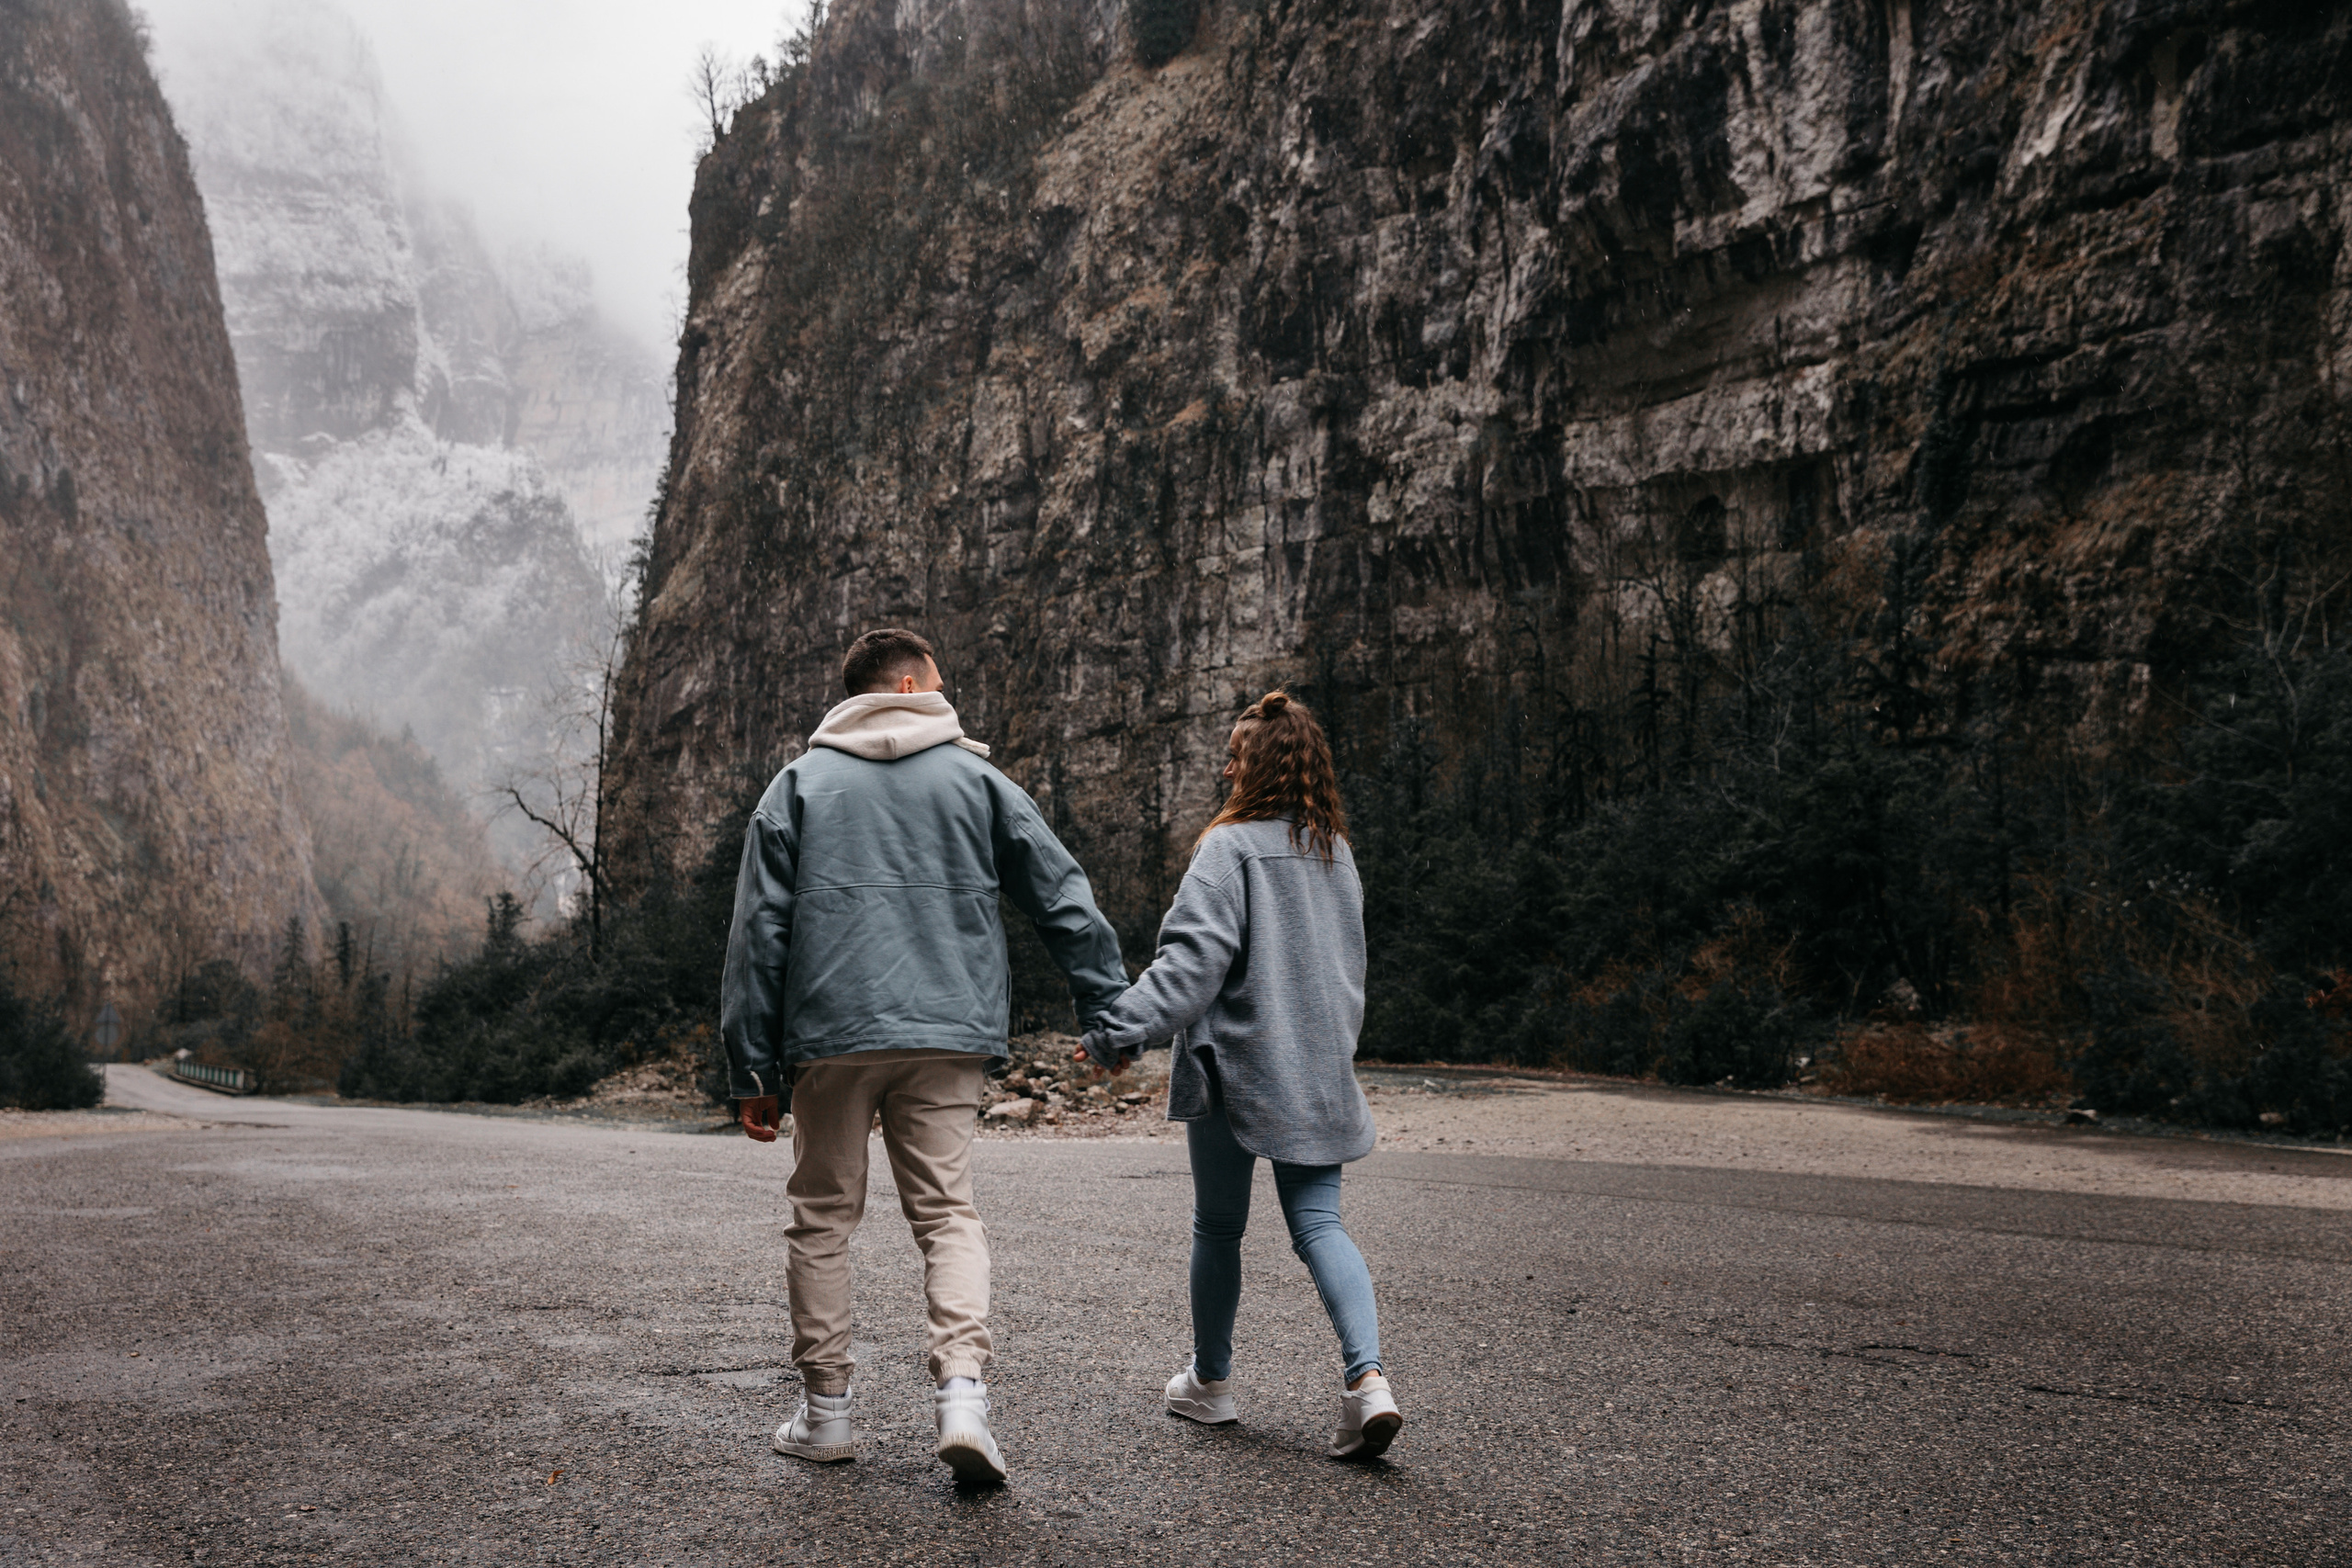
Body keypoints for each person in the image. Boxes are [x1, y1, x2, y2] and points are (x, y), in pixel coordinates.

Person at [722, 627, 1128, 1484]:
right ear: (908, 685)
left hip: (831, 1037)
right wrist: (1107, 1006)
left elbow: (757, 933)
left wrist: (753, 1067)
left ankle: (827, 1414)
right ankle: (962, 1398)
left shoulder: (797, 786)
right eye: (940, 684)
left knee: (824, 1216)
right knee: (947, 1213)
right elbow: (1061, 893)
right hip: (948, 1030)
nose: (951, 700)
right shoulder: (978, 780)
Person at [1076, 690, 1401, 1461]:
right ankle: (1369, 1383)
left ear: (1260, 767)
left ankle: (1212, 1383)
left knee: (1219, 1226)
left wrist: (1117, 1030)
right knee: (1320, 1224)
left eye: (1234, 755)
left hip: (1237, 1072)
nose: (1225, 766)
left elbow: (1189, 969)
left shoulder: (1228, 849)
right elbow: (1349, 969)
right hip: (1319, 1070)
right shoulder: (1335, 851)